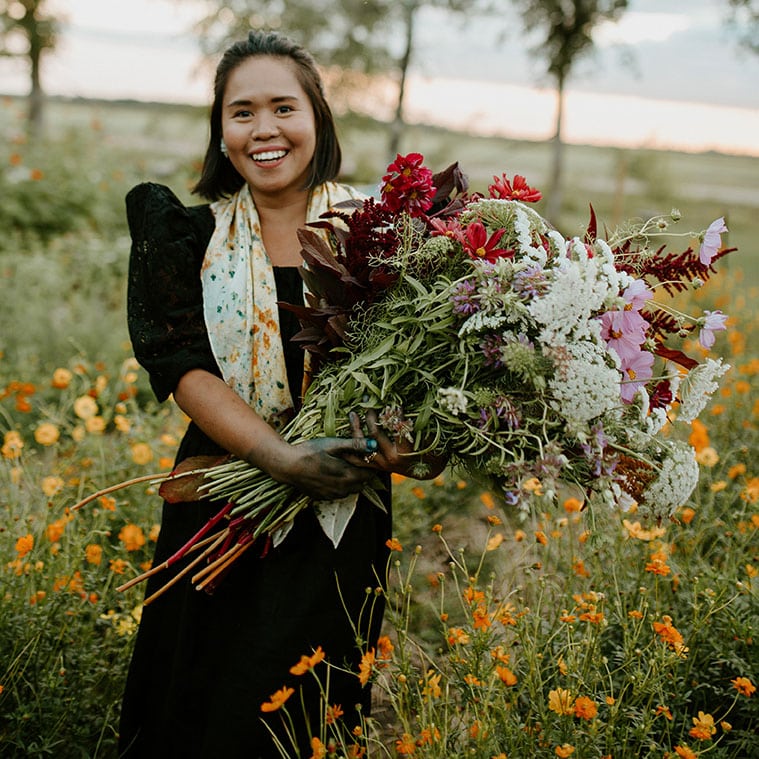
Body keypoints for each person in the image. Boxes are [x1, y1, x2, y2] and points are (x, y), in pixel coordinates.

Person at [119, 29, 442, 758]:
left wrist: (412, 450)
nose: (263, 129)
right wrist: (279, 456)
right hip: (220, 495)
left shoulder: (383, 238)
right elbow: (182, 365)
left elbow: (426, 387)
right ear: (220, 132)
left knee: (305, 715)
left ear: (317, 120)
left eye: (282, 107)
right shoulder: (189, 237)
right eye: (241, 112)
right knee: (194, 699)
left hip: (342, 511)